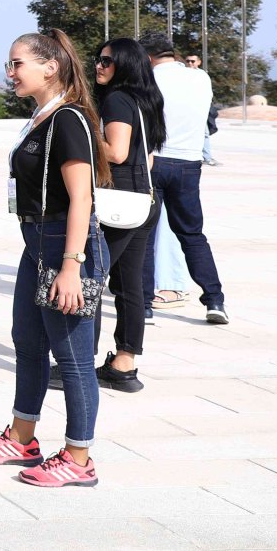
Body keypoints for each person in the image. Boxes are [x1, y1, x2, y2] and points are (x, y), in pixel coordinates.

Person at [0, 29, 108, 488]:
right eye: (9, 64)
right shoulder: (40, 117)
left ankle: (79, 457)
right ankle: (22, 438)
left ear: (50, 67)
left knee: (73, 357)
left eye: (17, 63)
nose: (10, 73)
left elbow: (82, 198)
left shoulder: (69, 119)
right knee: (27, 342)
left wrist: (71, 266)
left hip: (66, 244)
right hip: (37, 243)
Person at [84, 38, 165, 393]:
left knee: (89, 278)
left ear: (126, 65)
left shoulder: (117, 99)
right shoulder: (146, 100)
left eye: (106, 61)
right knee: (129, 285)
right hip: (143, 199)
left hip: (116, 203)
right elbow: (147, 157)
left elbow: (116, 152)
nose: (98, 66)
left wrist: (82, 134)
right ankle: (124, 364)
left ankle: (79, 362)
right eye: (98, 59)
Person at [140, 32, 227, 325]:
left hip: (154, 160)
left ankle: (144, 305)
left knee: (144, 235)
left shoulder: (148, 79)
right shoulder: (201, 77)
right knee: (192, 235)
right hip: (189, 163)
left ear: (148, 57)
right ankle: (214, 300)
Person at [184, 54, 220, 165]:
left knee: (204, 133)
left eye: (192, 61)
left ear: (199, 62)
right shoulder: (182, 74)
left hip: (199, 109)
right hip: (185, 108)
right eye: (188, 61)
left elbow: (208, 92)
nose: (190, 63)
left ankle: (207, 157)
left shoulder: (202, 75)